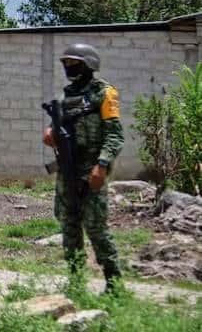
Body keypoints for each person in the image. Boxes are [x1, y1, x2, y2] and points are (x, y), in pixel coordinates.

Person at [43, 43, 124, 292]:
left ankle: (114, 283)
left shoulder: (104, 93)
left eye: (73, 62)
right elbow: (62, 130)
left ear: (88, 64)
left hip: (91, 171)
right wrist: (51, 133)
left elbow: (115, 136)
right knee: (69, 225)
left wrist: (101, 165)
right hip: (67, 170)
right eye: (65, 63)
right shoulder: (66, 96)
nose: (68, 67)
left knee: (96, 228)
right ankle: (76, 281)